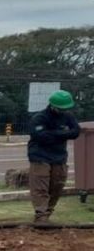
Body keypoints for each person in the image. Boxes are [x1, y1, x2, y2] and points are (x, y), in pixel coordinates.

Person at [28, 90, 80, 224]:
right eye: (61, 108)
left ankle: (48, 212)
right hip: (39, 155)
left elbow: (75, 132)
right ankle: (41, 215)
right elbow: (40, 137)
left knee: (57, 185)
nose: (64, 111)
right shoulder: (39, 118)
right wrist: (63, 133)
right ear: (52, 105)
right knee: (40, 186)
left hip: (59, 156)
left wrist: (54, 134)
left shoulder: (68, 116)